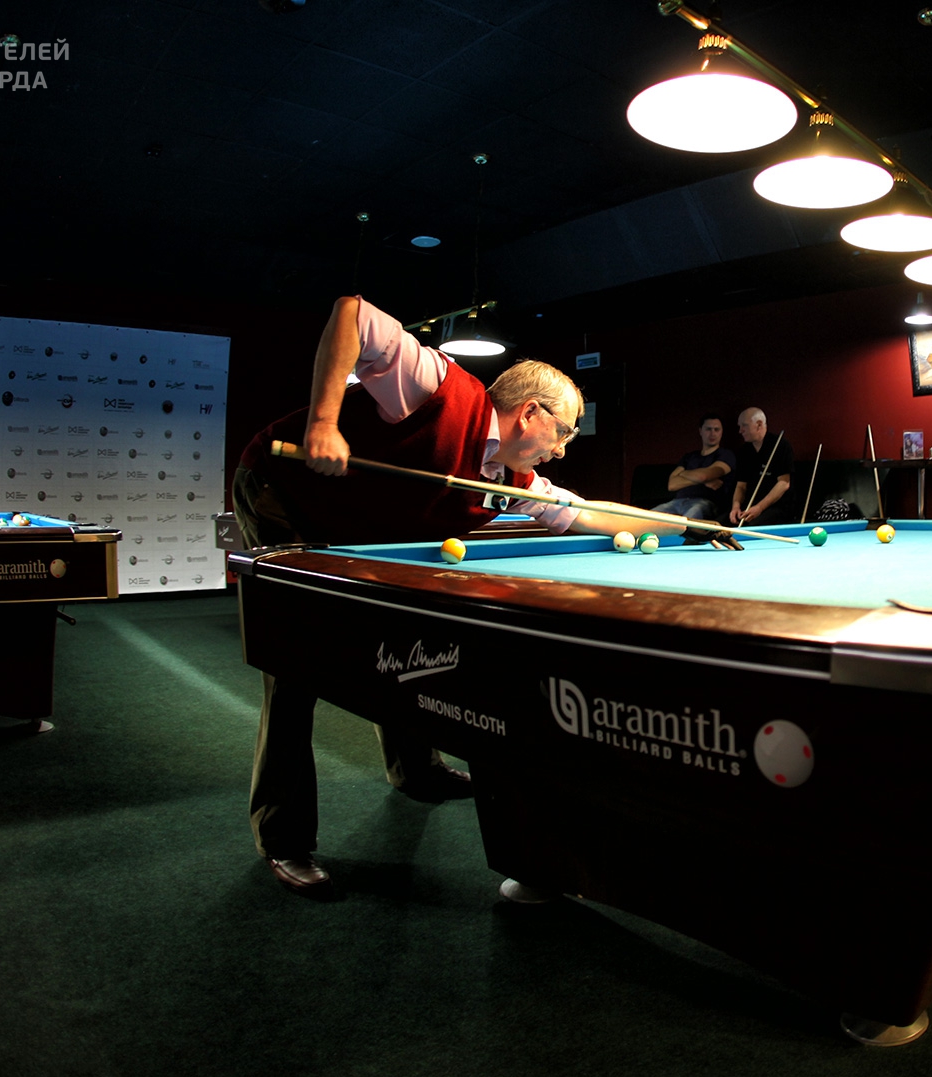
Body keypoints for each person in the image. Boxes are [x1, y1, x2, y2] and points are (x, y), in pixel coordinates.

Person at [233, 294, 712, 895]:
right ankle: (283, 837)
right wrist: (324, 424)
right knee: (295, 661)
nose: (563, 448)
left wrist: (686, 526)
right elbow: (350, 313)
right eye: (563, 431)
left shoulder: (512, 479)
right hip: (283, 489)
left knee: (403, 627)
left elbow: (586, 512)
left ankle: (416, 769)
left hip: (359, 520)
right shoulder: (437, 385)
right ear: (530, 413)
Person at [651, 413, 734, 523]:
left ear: (722, 432)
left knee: (686, 522)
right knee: (646, 518)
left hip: (704, 503)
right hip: (677, 502)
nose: (712, 433)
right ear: (700, 431)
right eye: (708, 429)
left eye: (716, 429)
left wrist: (683, 473)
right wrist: (704, 481)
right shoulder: (689, 457)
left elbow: (703, 476)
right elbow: (672, 485)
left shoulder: (726, 455)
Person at [730, 407, 793, 526]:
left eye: (744, 425)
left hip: (776, 508)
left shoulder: (780, 445)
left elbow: (784, 483)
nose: (740, 431)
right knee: (718, 526)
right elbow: (741, 485)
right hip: (748, 507)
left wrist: (759, 507)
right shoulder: (745, 450)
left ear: (759, 425)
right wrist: (735, 507)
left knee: (750, 528)